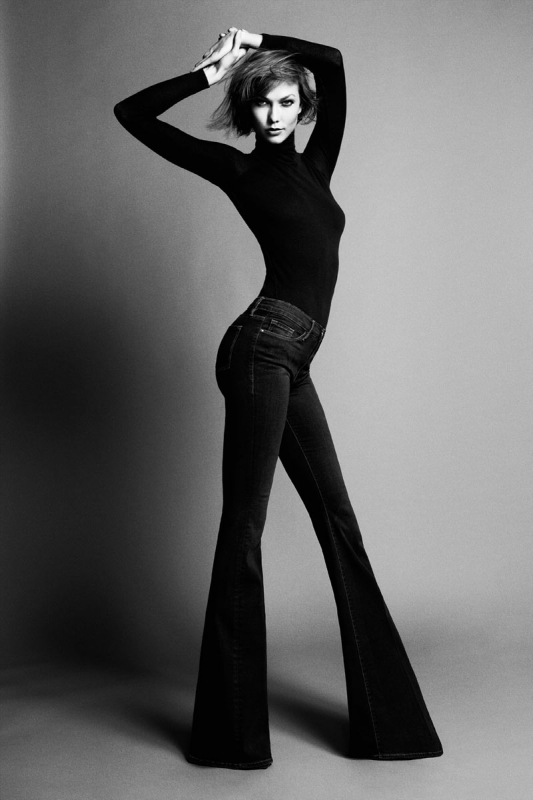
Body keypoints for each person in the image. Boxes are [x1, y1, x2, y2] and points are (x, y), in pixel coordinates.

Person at [114, 27, 443, 770]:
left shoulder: (317, 165)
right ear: (248, 107)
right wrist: (209, 72)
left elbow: (334, 62)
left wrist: (261, 39)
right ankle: (228, 738)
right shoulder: (236, 170)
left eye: (286, 102)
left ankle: (391, 727)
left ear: (302, 109)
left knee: (339, 520)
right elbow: (130, 115)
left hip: (294, 358)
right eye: (262, 102)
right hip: (261, 349)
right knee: (245, 526)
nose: (273, 114)